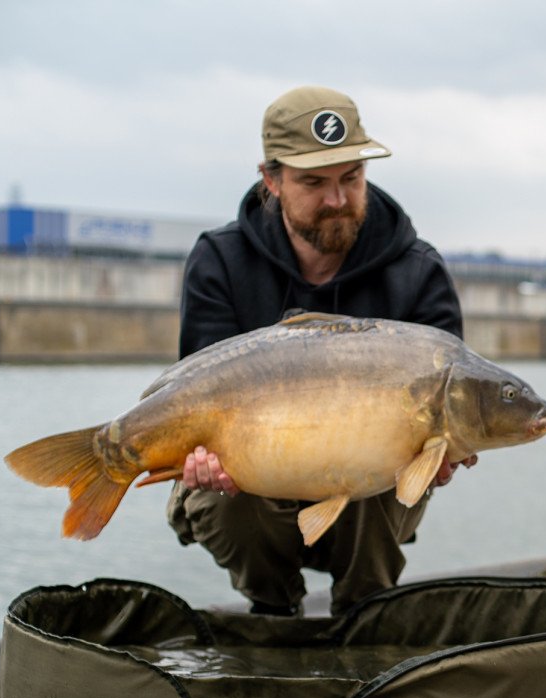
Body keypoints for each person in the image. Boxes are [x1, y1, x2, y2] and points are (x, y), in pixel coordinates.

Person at [167, 85, 471, 617]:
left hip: (369, 487)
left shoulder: (418, 272)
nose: (337, 200)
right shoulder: (219, 260)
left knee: (383, 471)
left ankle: (363, 616)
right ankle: (274, 613)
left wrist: (441, 453)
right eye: (314, 182)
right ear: (271, 180)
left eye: (351, 178)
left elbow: (451, 407)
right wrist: (200, 460)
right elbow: (196, 392)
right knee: (225, 497)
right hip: (248, 478)